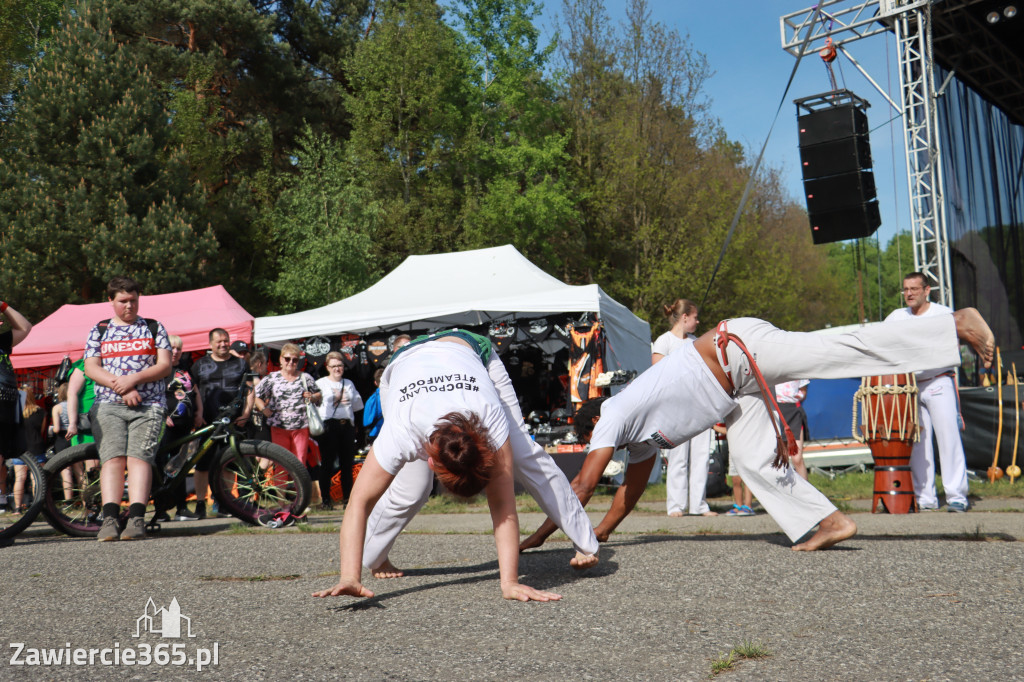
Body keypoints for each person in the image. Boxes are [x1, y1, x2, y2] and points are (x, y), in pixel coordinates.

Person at [521, 309, 994, 553]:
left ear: (596, 424)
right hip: (736, 386)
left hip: (738, 348)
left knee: (836, 351)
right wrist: (601, 533)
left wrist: (540, 538)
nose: (601, 450)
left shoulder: (614, 416)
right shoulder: (638, 438)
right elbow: (628, 494)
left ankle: (952, 324)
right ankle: (830, 522)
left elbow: (582, 485)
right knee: (750, 460)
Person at [312, 330, 599, 603]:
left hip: (470, 353)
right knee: (413, 488)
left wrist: (509, 582)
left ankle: (586, 543)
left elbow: (503, 504)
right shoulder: (401, 433)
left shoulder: (491, 423)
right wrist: (349, 575)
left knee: (524, 453)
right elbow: (358, 503)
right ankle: (373, 557)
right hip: (405, 364)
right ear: (431, 460)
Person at [83, 276, 172, 541]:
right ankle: (109, 519)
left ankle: (136, 519)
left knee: (138, 458)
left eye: (133, 300)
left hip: (149, 405)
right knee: (112, 459)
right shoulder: (99, 330)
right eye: (123, 301)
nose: (129, 306)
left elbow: (165, 365)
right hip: (108, 405)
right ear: (110, 300)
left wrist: (133, 379)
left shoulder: (154, 327)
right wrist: (121, 386)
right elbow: (91, 367)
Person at [885, 272, 970, 512]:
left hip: (938, 381)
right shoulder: (896, 317)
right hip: (909, 385)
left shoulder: (943, 314)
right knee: (918, 443)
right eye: (905, 289)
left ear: (926, 290)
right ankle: (925, 498)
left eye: (913, 289)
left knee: (948, 438)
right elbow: (882, 343)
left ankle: (957, 496)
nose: (909, 293)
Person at [652, 299, 717, 517]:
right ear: (684, 317)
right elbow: (658, 374)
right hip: (675, 407)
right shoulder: (664, 342)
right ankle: (675, 505)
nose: (698, 321)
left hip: (700, 405)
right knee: (677, 457)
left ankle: (699, 505)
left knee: (700, 456)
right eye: (695, 317)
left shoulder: (697, 342)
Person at [187, 327, 253, 519]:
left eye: (226, 340)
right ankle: (200, 504)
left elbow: (249, 389)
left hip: (233, 422)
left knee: (229, 463)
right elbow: (193, 390)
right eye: (219, 341)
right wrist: (197, 414)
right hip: (207, 421)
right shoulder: (199, 365)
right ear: (210, 344)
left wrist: (247, 413)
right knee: (203, 464)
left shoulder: (241, 364)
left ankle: (224, 502)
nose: (223, 344)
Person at [154, 335, 203, 522]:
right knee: (161, 466)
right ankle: (160, 510)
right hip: (165, 426)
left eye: (179, 349)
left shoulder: (185, 369)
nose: (175, 352)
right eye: (172, 348)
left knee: (181, 466)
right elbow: (153, 395)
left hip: (185, 425)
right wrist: (163, 414)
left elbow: (195, 392)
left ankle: (182, 508)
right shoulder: (159, 368)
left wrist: (199, 413)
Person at [254, 343, 321, 466]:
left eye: (295, 360)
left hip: (301, 426)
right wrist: (263, 409)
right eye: (287, 359)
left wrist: (312, 397)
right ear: (281, 359)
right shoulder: (272, 378)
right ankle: (281, 486)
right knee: (281, 463)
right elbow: (256, 395)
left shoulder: (305, 377)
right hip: (279, 427)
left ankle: (298, 486)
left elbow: (318, 394)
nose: (291, 362)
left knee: (299, 461)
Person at [315, 351, 363, 509]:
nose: (337, 369)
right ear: (327, 367)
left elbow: (357, 406)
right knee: (327, 464)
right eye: (334, 366)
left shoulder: (349, 383)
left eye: (340, 365)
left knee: (346, 465)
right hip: (329, 426)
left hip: (346, 426)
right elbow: (315, 405)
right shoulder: (321, 383)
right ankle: (326, 501)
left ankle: (347, 500)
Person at [0, 300, 32, 510]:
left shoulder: (2, 342)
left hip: (7, 405)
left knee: (2, 455)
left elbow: (25, 327)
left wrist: (3, 305)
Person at [10, 388, 47, 513]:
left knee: (19, 478)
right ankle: (37, 507)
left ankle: (17, 508)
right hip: (37, 447)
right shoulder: (41, 412)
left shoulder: (15, 413)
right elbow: (42, 431)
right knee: (36, 478)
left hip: (19, 449)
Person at [774, 379, 810, 479]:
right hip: (776, 410)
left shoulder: (799, 367)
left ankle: (805, 493)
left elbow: (803, 392)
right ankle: (785, 492)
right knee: (782, 458)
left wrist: (792, 396)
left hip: (793, 410)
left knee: (797, 459)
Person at [50, 383, 71, 456]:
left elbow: (57, 429)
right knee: (78, 464)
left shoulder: (57, 408)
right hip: (75, 436)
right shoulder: (77, 405)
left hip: (62, 438)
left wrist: (51, 429)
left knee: (64, 464)